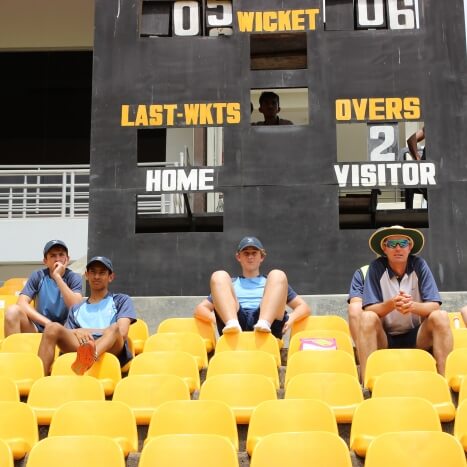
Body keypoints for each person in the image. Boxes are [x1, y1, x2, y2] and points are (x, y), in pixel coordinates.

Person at [358, 226, 452, 378]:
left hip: (417, 336)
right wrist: (392, 304)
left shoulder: (420, 265)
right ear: (384, 248)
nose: (398, 248)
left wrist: (412, 306)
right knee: (366, 317)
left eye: (402, 243)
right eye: (392, 244)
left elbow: (434, 305)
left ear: (410, 247)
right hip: (385, 337)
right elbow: (369, 309)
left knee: (440, 316)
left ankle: (444, 382)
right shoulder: (376, 267)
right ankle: (367, 382)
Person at [194, 236, 310, 338]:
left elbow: (303, 306)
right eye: (246, 253)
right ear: (238, 257)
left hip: (268, 323)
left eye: (254, 253)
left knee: (277, 274)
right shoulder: (229, 284)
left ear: (262, 257)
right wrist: (217, 319)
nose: (250, 257)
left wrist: (291, 318)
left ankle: (264, 323)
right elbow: (200, 309)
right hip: (236, 322)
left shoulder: (273, 283)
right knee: (219, 275)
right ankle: (231, 323)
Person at [37, 256, 136, 375]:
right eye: (93, 272)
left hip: (112, 346)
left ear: (111, 277)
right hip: (82, 346)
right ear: (86, 275)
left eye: (102, 273)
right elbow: (67, 333)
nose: (96, 276)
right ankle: (41, 379)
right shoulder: (76, 308)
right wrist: (76, 332)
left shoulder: (121, 300)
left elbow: (122, 332)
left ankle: (88, 359)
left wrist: (85, 331)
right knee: (51, 327)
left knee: (114, 328)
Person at [4, 240, 83, 337]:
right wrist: (48, 323)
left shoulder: (74, 277)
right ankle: (13, 347)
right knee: (12, 311)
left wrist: (57, 277)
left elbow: (76, 307)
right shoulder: (38, 276)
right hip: (40, 327)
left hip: (66, 329)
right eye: (53, 256)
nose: (57, 259)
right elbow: (21, 303)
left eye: (61, 255)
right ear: (45, 261)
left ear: (67, 259)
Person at [405, 126, 427, 209]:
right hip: (428, 174)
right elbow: (411, 140)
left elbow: (411, 140)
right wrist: (418, 160)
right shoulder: (434, 125)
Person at [347, 264, 369, 348]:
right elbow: (356, 303)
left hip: (407, 326)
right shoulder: (364, 272)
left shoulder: (409, 269)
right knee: (355, 308)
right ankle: (362, 353)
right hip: (378, 330)